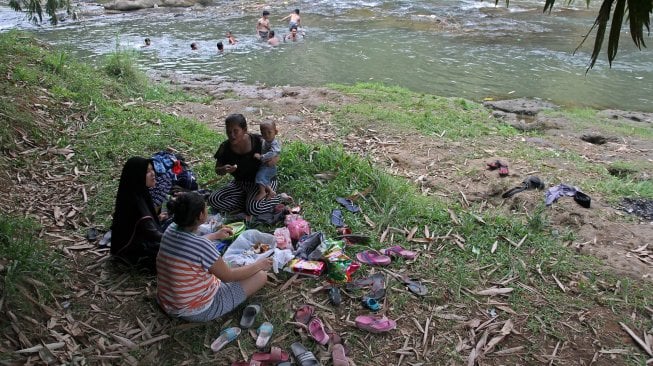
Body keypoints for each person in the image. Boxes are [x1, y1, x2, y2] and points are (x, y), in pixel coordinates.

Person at [156, 192, 272, 322]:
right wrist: (260, 264)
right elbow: (228, 277)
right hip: (195, 310)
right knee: (260, 275)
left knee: (234, 266)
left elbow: (190, 245)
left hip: (168, 301)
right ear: (200, 215)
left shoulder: (171, 229)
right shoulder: (202, 246)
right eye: (206, 208)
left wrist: (215, 235)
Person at [207, 114, 282, 216]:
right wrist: (224, 169)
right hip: (240, 183)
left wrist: (274, 160)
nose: (232, 135)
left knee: (254, 209)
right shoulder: (225, 147)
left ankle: (280, 197)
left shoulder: (259, 141)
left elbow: (276, 152)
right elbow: (217, 170)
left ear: (245, 130)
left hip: (263, 183)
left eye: (236, 131)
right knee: (213, 199)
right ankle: (247, 202)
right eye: (229, 131)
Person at [110, 157, 165, 266]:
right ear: (137, 175)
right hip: (130, 254)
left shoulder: (136, 191)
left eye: (152, 169)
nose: (153, 174)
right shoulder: (135, 201)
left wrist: (157, 219)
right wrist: (178, 241)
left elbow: (139, 224)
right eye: (147, 172)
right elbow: (152, 233)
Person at [254, 121, 281, 200]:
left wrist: (261, 157)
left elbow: (274, 152)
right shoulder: (266, 141)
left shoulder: (274, 143)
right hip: (265, 165)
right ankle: (271, 192)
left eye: (269, 132)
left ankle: (262, 192)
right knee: (264, 179)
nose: (267, 135)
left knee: (260, 176)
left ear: (275, 132)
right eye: (264, 133)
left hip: (269, 166)